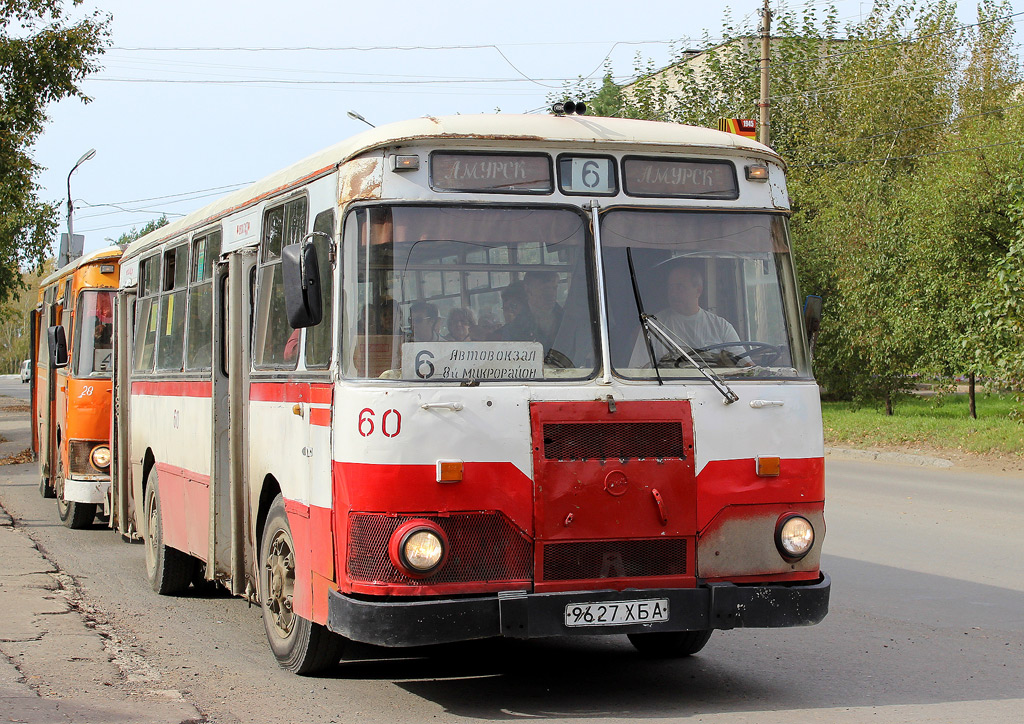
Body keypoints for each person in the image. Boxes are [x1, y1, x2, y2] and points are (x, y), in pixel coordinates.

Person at [628, 259, 749, 367]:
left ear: (698, 290)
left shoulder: (721, 327)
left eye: (680, 287)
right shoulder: (653, 326)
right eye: (671, 288)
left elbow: (747, 367)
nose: (673, 293)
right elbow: (638, 370)